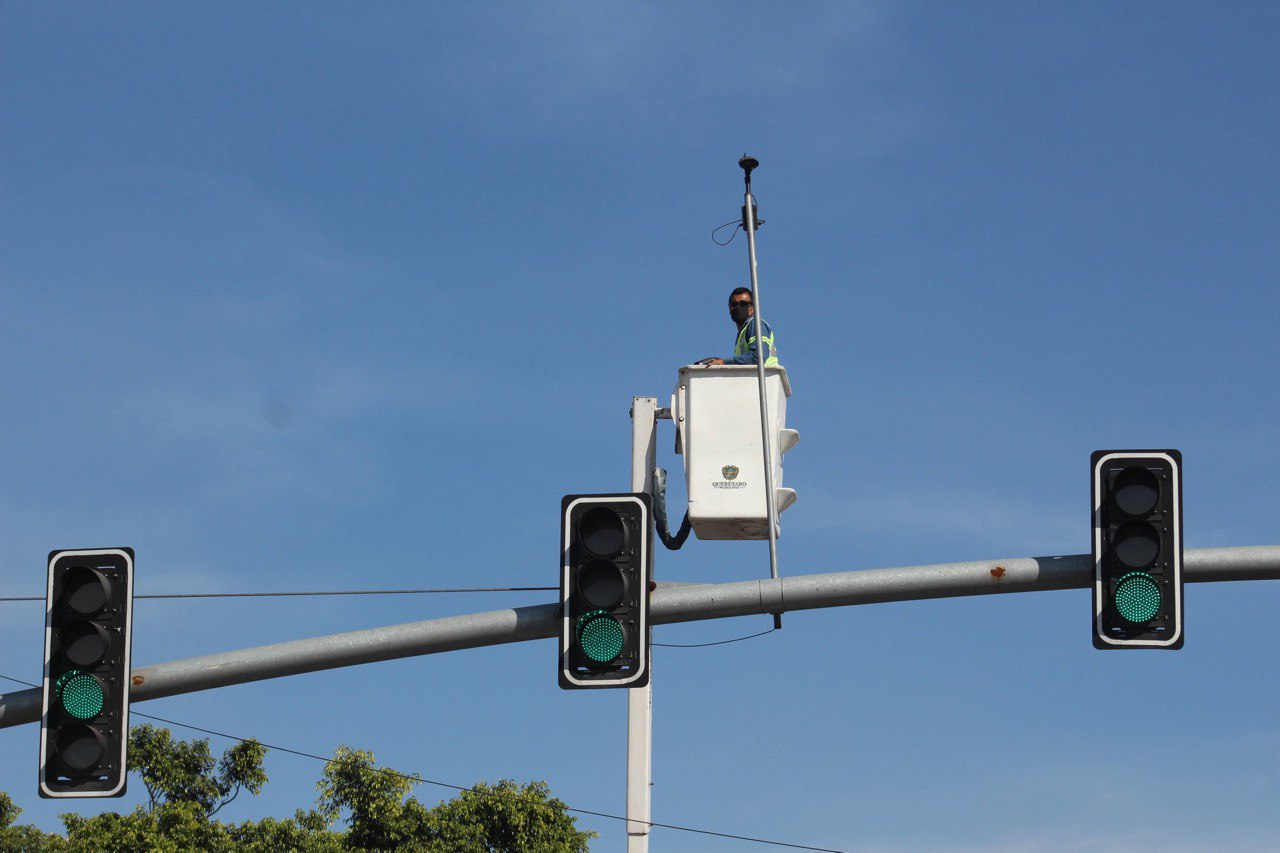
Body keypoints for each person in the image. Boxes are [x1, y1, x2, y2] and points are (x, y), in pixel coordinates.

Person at [704, 287, 778, 366]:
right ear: (729, 309)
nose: (738, 307)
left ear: (753, 308)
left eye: (743, 304)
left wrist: (724, 362)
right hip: (753, 376)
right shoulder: (742, 333)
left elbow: (758, 356)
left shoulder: (756, 324)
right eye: (734, 304)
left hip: (765, 376)